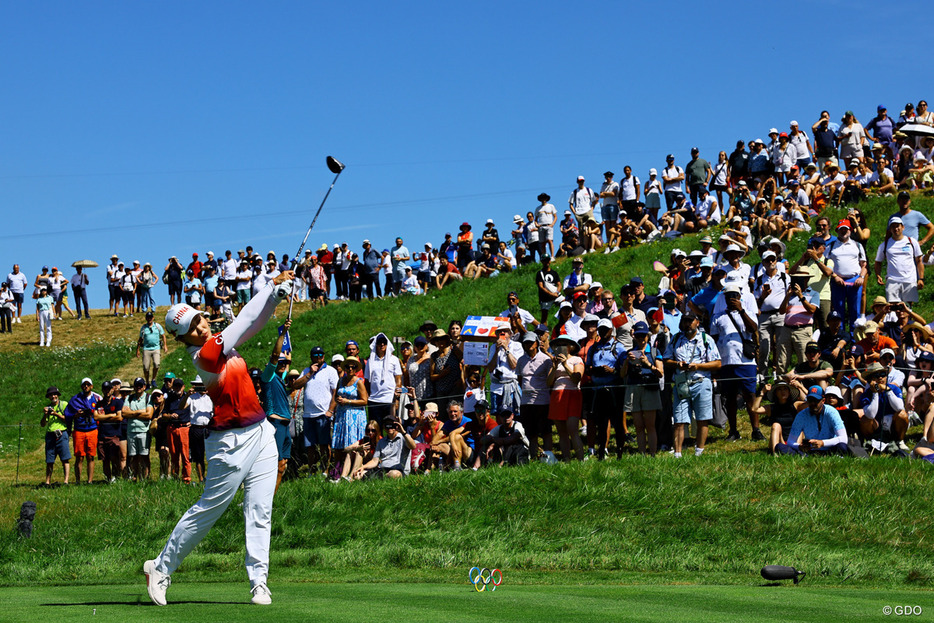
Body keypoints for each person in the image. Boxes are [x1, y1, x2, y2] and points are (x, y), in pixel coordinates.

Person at [144, 269, 294, 607]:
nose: (201, 326)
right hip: (229, 443)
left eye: (200, 320)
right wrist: (271, 289)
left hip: (261, 433)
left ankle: (259, 583)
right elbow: (243, 321)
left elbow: (253, 324)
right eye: (192, 328)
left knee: (260, 510)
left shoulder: (221, 344)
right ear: (184, 339)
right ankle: (161, 569)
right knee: (208, 509)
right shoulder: (206, 355)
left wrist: (274, 295)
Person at [663, 313, 721, 458]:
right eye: (685, 321)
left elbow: (718, 363)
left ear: (697, 322)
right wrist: (678, 364)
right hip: (681, 382)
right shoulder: (676, 338)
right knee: (679, 419)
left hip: (701, 381)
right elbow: (666, 359)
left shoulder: (706, 339)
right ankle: (677, 453)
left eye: (690, 321)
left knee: (703, 418)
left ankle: (699, 452)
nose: (687, 324)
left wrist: (698, 366)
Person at [711, 285, 762, 442]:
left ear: (740, 297)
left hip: (746, 362)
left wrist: (741, 311)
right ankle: (733, 430)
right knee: (730, 397)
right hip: (727, 362)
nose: (731, 298)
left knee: (750, 395)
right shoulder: (718, 316)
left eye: (734, 295)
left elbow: (753, 329)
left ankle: (756, 429)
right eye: (728, 296)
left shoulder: (749, 312)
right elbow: (713, 338)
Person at [292, 346, 338, 476]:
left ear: (324, 356)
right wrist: (309, 374)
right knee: (310, 446)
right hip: (308, 415)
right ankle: (312, 470)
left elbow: (335, 392)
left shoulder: (330, 371)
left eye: (321, 355)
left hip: (323, 413)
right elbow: (295, 385)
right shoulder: (306, 371)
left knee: (324, 445)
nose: (319, 357)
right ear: (311, 357)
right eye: (316, 355)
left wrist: (330, 410)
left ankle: (325, 469)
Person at [773, 386, 848, 455]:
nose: (813, 403)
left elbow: (843, 438)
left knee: (842, 446)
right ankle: (806, 455)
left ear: (823, 400)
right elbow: (790, 441)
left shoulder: (832, 412)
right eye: (810, 400)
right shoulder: (801, 415)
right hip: (810, 450)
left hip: (829, 448)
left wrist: (822, 443)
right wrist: (800, 447)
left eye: (816, 400)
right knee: (779, 447)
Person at [546, 334, 585, 461]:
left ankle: (580, 460)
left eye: (564, 344)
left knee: (573, 429)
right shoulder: (554, 362)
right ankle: (566, 459)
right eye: (558, 345)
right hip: (557, 395)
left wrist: (565, 364)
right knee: (561, 432)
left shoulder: (576, 360)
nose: (560, 347)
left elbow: (576, 378)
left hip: (572, 394)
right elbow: (549, 383)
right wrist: (555, 366)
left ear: (571, 347)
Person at [875, 216, 923, 305]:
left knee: (908, 309)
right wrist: (878, 275)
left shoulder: (912, 242)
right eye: (893, 226)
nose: (896, 229)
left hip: (910, 279)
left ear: (903, 227)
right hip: (892, 280)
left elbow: (919, 260)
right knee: (893, 308)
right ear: (890, 229)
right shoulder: (884, 245)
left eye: (898, 226)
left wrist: (921, 278)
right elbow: (878, 262)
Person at [63, 378, 101, 484]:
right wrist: (77, 414)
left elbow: (102, 413)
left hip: (92, 429)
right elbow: (68, 414)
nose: (86, 386)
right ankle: (78, 480)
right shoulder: (75, 399)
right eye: (84, 385)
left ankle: (90, 480)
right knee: (79, 457)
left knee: (91, 456)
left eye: (88, 384)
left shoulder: (97, 398)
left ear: (92, 386)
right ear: (81, 387)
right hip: (79, 430)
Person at [122, 378, 153, 481]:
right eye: (136, 385)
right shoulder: (129, 398)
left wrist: (132, 413)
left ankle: (145, 477)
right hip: (131, 431)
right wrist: (140, 412)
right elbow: (124, 413)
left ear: (144, 386)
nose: (138, 387)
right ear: (134, 387)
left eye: (141, 385)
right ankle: (135, 476)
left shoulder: (148, 398)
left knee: (144, 456)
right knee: (133, 456)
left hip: (144, 431)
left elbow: (149, 414)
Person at [41, 386, 70, 485]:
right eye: (51, 395)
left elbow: (68, 419)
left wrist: (56, 414)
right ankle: (47, 482)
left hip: (62, 433)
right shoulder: (48, 408)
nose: (53, 396)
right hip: (50, 435)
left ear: (58, 395)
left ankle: (66, 481)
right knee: (49, 460)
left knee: (65, 458)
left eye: (54, 394)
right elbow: (42, 424)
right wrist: (45, 414)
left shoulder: (64, 404)